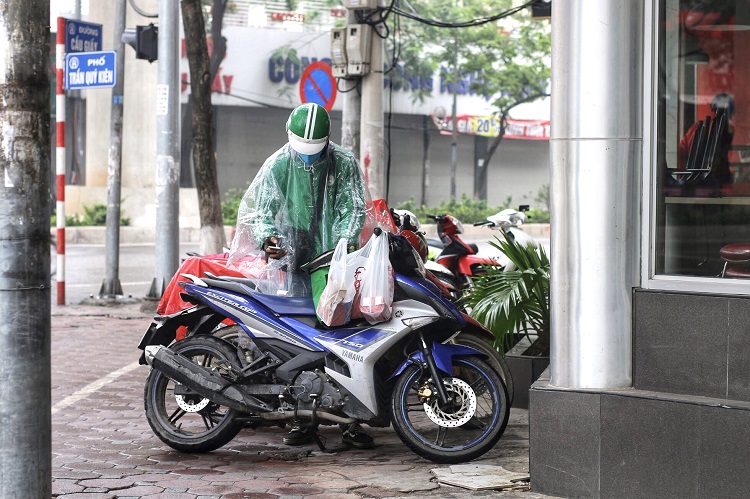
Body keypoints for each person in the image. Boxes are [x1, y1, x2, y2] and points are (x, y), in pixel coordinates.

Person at [227, 102, 375, 449]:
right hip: (294, 261)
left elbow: (354, 208)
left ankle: (350, 421)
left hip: (334, 264)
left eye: (315, 149)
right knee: (297, 340)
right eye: (302, 149)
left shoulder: (344, 163)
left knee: (342, 338)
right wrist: (269, 238)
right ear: (289, 137)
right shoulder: (278, 164)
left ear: (328, 141)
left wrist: (341, 248)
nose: (308, 156)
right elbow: (259, 211)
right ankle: (302, 419)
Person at [676, 92, 735, 188]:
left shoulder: (698, 128)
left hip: (695, 177)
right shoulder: (726, 130)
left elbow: (681, 150)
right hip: (711, 179)